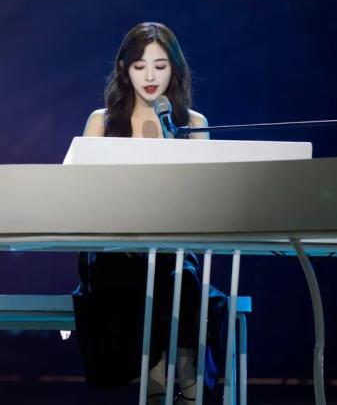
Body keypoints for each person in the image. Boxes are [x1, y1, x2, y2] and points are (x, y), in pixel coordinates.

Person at [72, 22, 225, 405]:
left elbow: (205, 199)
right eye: (141, 66)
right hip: (114, 253)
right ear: (125, 70)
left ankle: (187, 389)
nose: (151, 77)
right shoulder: (102, 122)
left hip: (174, 251)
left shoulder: (193, 124)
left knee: (183, 282)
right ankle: (158, 390)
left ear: (175, 69)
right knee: (144, 282)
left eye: (160, 66)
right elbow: (76, 193)